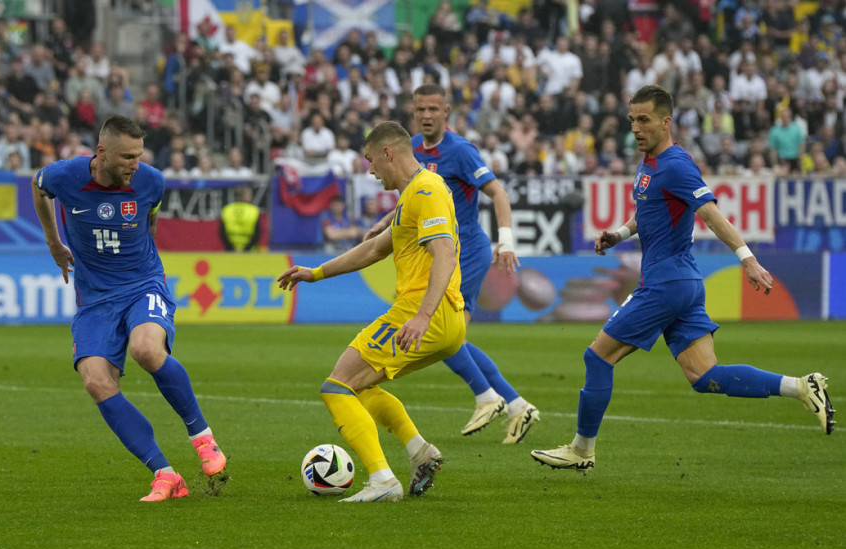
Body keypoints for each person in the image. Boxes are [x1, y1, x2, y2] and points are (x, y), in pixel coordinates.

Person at [531, 85, 835, 473]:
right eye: (632, 120)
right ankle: (801, 385)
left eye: (644, 120)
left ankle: (581, 449)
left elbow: (710, 214)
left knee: (598, 356)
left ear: (665, 121)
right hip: (684, 283)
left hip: (665, 283)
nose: (636, 128)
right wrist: (619, 235)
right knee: (704, 376)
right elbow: (648, 212)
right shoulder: (649, 164)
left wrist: (748, 260)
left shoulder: (675, 164)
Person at [31, 115, 228, 501]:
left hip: (142, 284)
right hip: (95, 297)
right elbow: (38, 188)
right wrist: (54, 243)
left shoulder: (151, 180)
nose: (134, 165)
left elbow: (149, 222)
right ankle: (165, 474)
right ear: (101, 152)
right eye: (126, 158)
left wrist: (147, 264)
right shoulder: (65, 176)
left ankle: (203, 437)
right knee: (95, 380)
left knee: (146, 349)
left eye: (138, 156)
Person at [277, 120, 464, 502]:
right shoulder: (416, 191)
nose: (370, 170)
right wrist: (315, 273)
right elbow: (376, 248)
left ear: (388, 153)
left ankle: (382, 480)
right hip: (445, 319)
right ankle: (420, 451)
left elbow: (444, 251)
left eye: (370, 160)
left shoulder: (426, 189)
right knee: (361, 386)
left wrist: (422, 315)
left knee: (336, 386)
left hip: (424, 311)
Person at [364, 84, 539, 443]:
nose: (426, 116)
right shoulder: (407, 147)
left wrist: (506, 241)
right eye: (420, 110)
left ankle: (488, 397)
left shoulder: (460, 151)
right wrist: (386, 223)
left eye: (433, 109)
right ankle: (517, 405)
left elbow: (498, 193)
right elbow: (411, 196)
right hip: (434, 251)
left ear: (446, 111)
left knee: (441, 332)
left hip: (465, 250)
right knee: (449, 335)